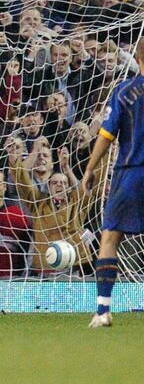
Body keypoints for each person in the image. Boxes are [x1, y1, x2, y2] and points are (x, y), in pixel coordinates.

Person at [82, 39, 144, 328]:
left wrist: (90, 168)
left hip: (130, 172)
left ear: (138, 58)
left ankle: (103, 311)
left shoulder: (125, 91)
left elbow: (107, 134)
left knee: (110, 238)